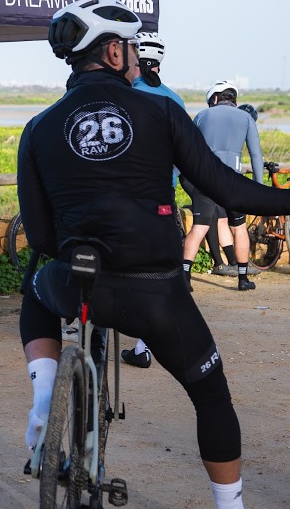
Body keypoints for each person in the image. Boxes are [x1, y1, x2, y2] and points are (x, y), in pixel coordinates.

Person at [16, 0, 290, 508]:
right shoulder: (160, 109)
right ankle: (229, 504)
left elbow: (37, 233)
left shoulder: (37, 128)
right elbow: (226, 189)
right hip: (156, 295)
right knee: (211, 397)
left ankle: (43, 396)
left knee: (37, 281)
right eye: (132, 47)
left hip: (79, 281)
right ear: (116, 55)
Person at [119, 31, 188, 370]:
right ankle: (144, 345)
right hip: (163, 196)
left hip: (123, 194)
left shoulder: (123, 93)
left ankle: (85, 329)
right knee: (155, 270)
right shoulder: (174, 99)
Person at [179, 81, 264, 291]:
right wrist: (260, 186)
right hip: (232, 182)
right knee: (239, 228)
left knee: (199, 227)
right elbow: (256, 155)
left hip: (205, 179)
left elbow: (188, 150)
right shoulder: (246, 118)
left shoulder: (201, 116)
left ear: (215, 99)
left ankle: (185, 278)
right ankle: (243, 279)